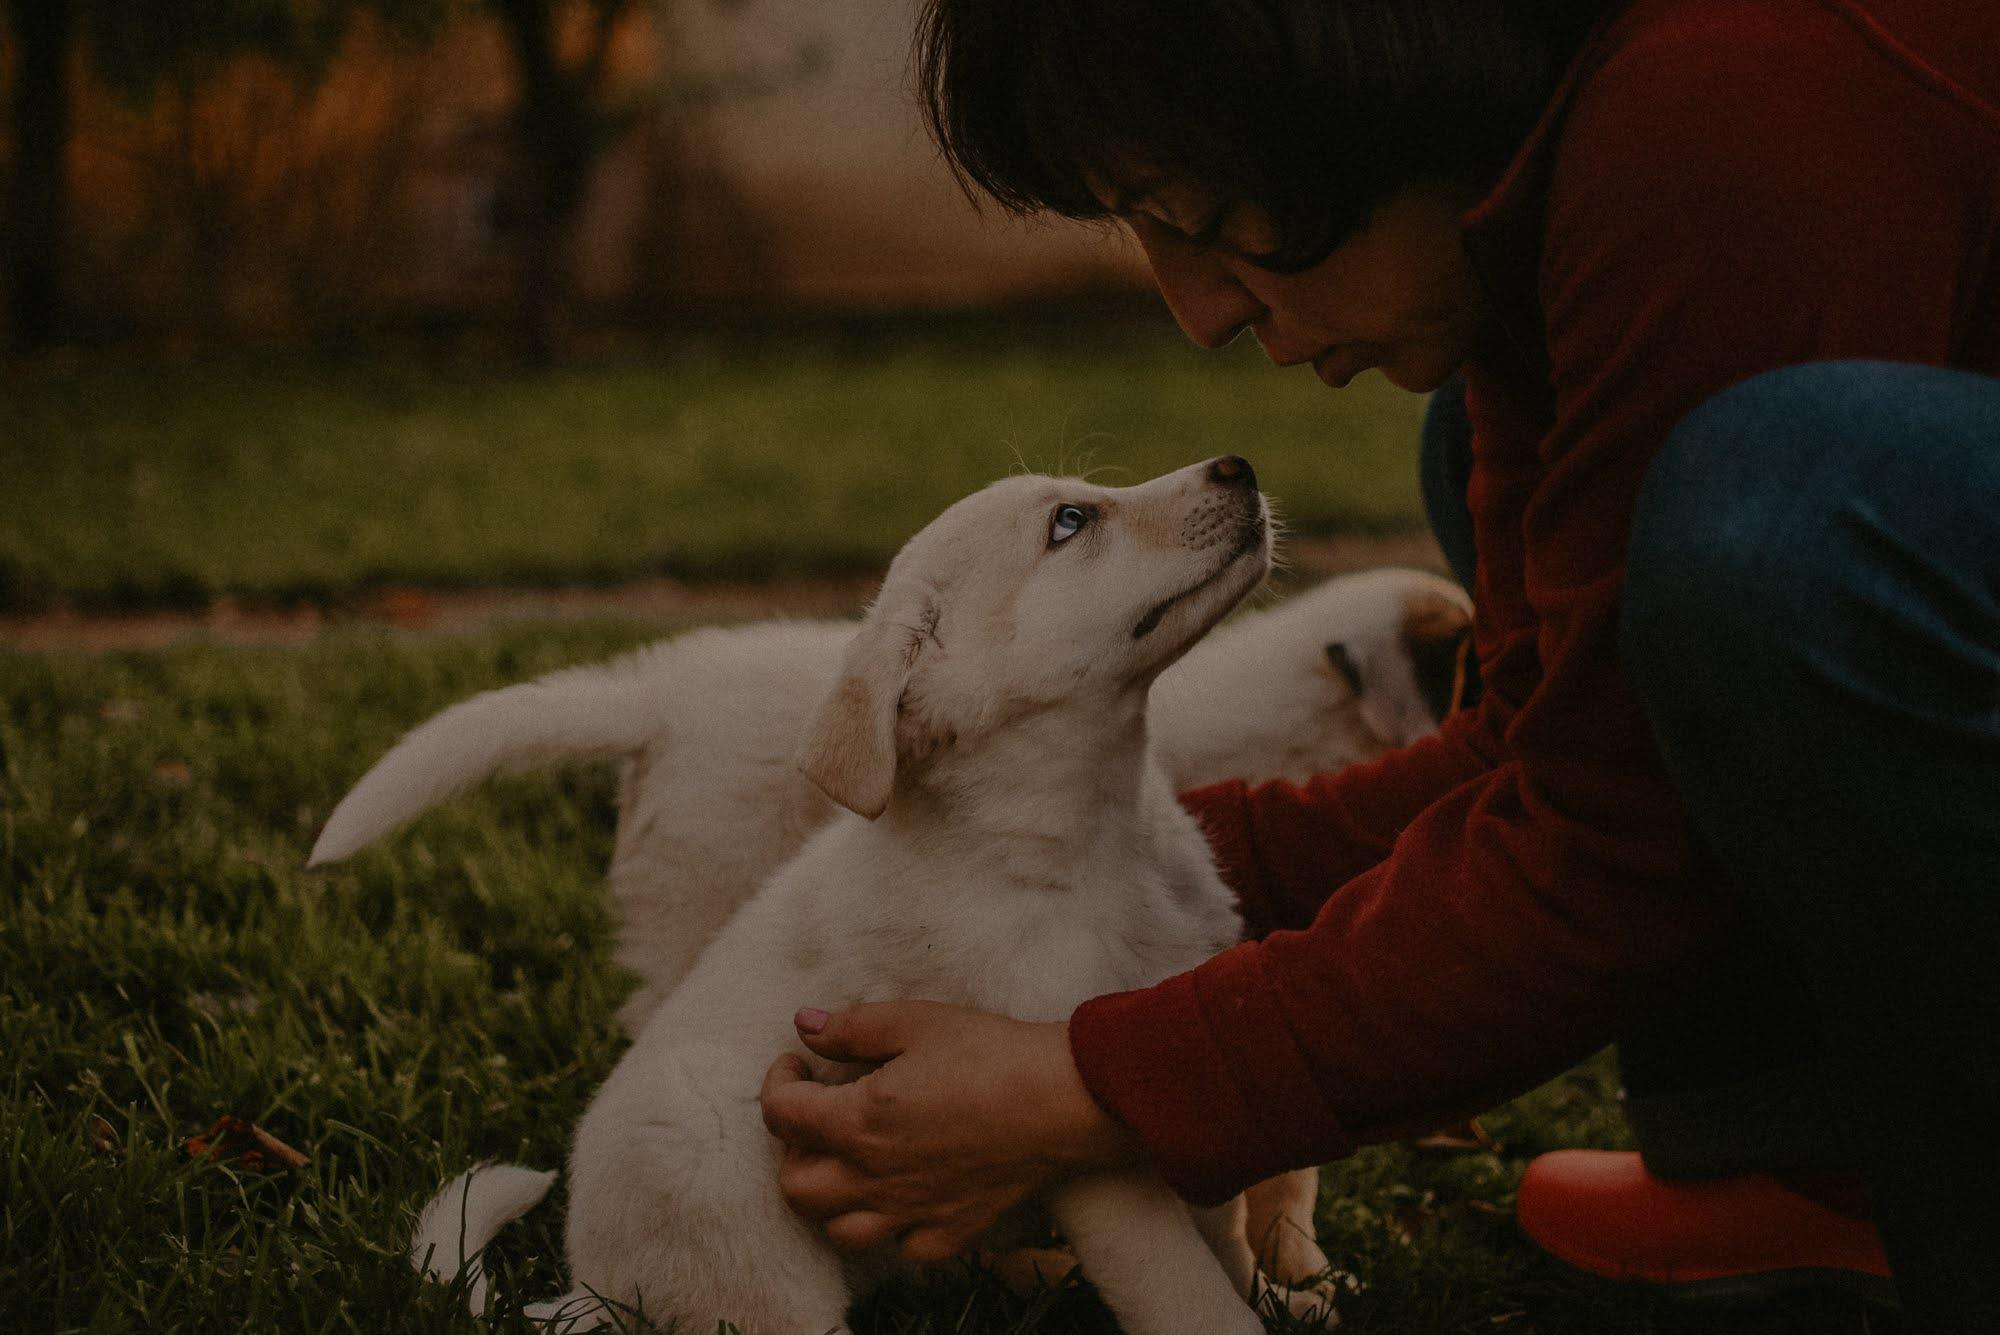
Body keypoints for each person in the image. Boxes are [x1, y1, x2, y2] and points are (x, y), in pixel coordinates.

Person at [756, 2, 2000, 1328]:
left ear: (1360, 71)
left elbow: (1612, 851)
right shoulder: (1553, 151)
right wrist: (1110, 868)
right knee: (1489, 430)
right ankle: (1812, 1155)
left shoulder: (1741, 87)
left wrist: (1090, 1086)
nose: (1200, 312)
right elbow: (1556, 755)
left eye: (1202, 215)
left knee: (1779, 521)